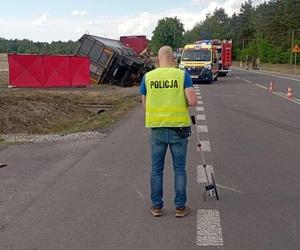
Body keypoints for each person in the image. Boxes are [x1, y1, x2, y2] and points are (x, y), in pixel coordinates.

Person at [140, 46, 197, 218]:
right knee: (179, 169)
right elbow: (192, 101)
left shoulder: (148, 77)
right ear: (174, 59)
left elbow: (145, 105)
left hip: (157, 128)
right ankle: (180, 207)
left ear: (158, 59)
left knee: (156, 169)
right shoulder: (182, 75)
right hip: (178, 129)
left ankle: (156, 206)